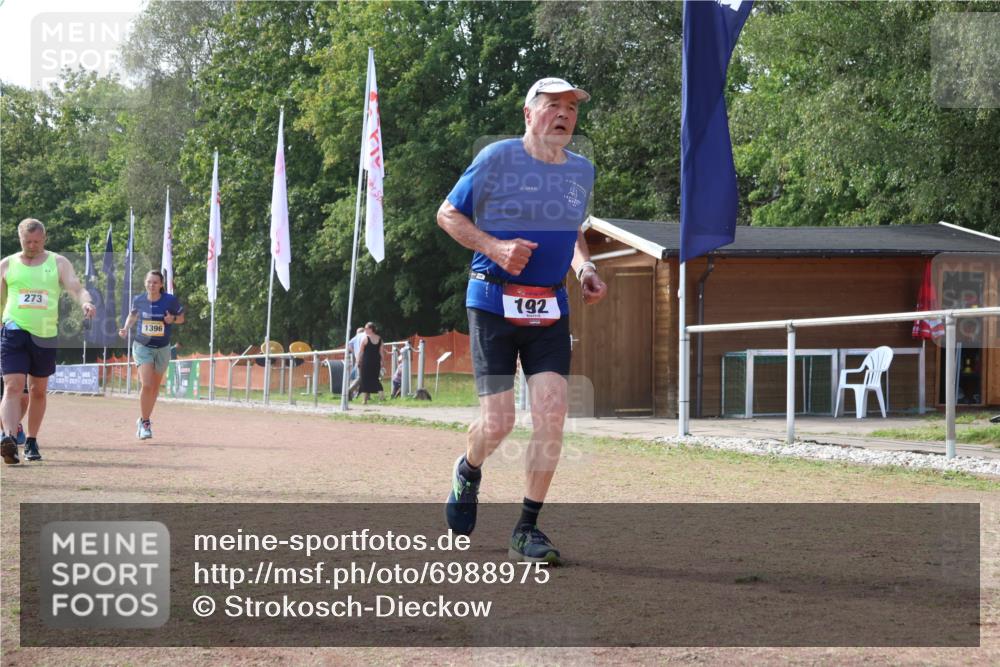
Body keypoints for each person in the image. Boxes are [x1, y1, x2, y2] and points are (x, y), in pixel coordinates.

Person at [436, 77, 607, 564]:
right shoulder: (496, 159)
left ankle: (526, 529)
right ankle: (468, 469)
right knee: (500, 421)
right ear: (528, 113)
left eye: (572, 108)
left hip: (550, 307)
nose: (565, 115)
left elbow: (571, 229)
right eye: (554, 105)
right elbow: (448, 214)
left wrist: (585, 268)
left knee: (553, 411)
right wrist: (495, 247)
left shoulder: (580, 171)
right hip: (492, 302)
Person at [1, 219, 96, 464]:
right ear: (19, 239)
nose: (31, 246)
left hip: (44, 334)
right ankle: (9, 439)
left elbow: (76, 288)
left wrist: (85, 301)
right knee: (12, 386)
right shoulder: (7, 265)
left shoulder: (58, 262)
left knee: (38, 390)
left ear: (44, 238)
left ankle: (31, 439)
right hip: (13, 329)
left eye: (36, 241)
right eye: (27, 241)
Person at [118, 270, 185, 440]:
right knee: (147, 385)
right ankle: (146, 423)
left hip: (162, 348)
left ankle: (143, 419)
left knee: (154, 388)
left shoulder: (169, 300)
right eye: (149, 282)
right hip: (142, 346)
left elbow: (181, 318)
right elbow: (132, 316)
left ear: (161, 284)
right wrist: (126, 328)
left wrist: (172, 320)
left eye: (155, 282)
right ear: (145, 283)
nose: (152, 285)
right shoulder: (139, 300)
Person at [357, 322, 385, 404]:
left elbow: (361, 352)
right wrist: (382, 361)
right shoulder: (380, 339)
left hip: (367, 362)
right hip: (376, 362)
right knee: (375, 379)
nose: (365, 330)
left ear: (370, 329)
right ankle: (382, 397)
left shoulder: (365, 339)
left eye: (366, 328)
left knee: (365, 379)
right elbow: (381, 352)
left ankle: (364, 400)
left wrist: (358, 360)